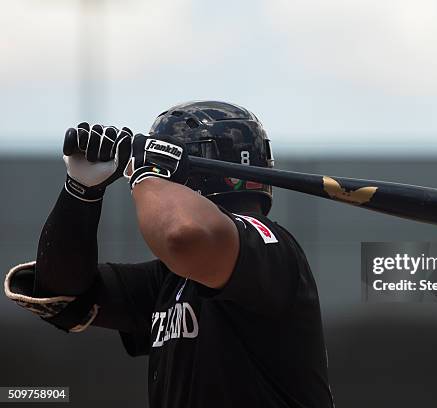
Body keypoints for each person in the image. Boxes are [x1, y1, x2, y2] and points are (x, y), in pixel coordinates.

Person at [5, 101, 334, 408]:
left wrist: (147, 175)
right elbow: (59, 294)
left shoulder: (272, 247)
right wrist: (81, 190)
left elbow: (183, 236)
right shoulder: (171, 280)